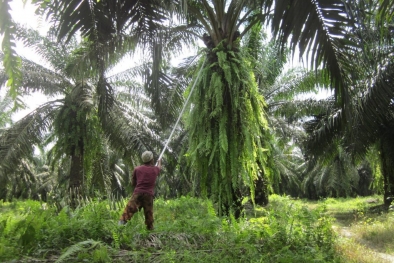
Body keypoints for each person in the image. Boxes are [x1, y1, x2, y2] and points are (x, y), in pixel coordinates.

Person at [118, 151, 161, 230]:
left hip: (138, 193)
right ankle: (150, 231)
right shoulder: (155, 170)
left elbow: (133, 183)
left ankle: (119, 228)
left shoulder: (137, 169)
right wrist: (159, 162)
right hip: (148, 195)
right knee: (149, 215)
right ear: (152, 160)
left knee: (128, 211)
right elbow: (159, 168)